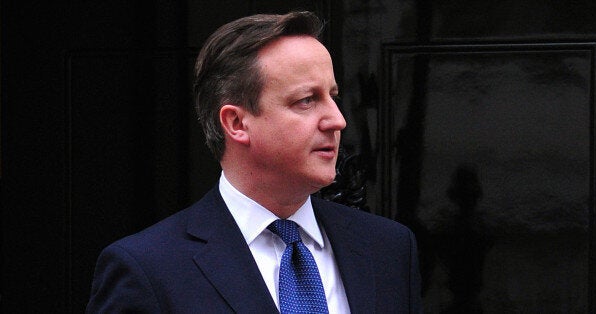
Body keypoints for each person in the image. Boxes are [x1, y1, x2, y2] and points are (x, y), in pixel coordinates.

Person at [87, 11, 422, 313]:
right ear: (236, 123)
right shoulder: (149, 269)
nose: (337, 120)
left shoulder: (388, 250)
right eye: (307, 101)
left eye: (332, 97)